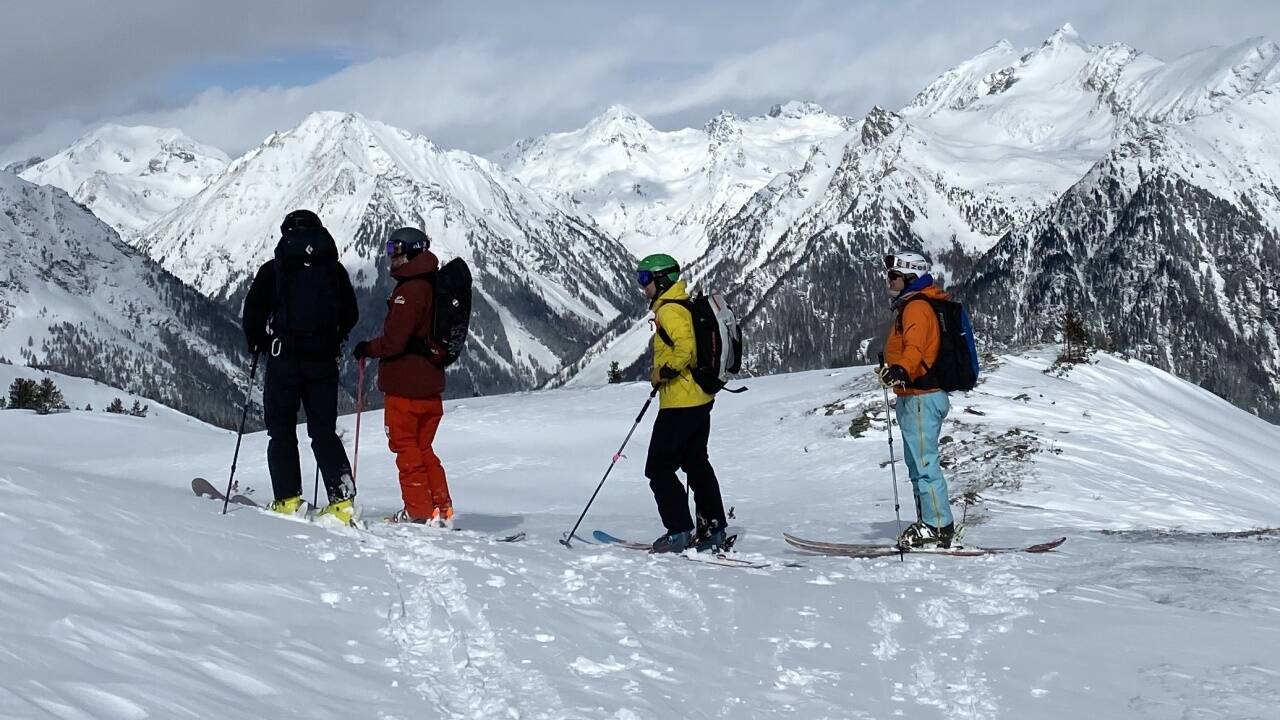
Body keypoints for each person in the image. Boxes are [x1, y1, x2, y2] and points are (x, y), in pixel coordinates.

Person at [242, 209, 359, 524]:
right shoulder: (334, 271)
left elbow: (252, 313)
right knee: (323, 430)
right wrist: (334, 338)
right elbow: (352, 314)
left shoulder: (275, 270)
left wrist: (261, 343)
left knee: (281, 430)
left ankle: (288, 498)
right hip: (323, 362)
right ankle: (341, 500)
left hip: (285, 361)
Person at [352, 227, 453, 527]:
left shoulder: (409, 291)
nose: (390, 257)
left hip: (406, 388)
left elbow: (395, 341)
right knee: (423, 448)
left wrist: (367, 348)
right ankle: (441, 507)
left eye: (394, 250)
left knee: (406, 447)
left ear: (410, 252)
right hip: (431, 385)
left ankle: (419, 511)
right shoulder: (432, 283)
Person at [637, 253, 729, 553]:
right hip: (699, 399)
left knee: (658, 468)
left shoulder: (670, 311)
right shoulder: (682, 305)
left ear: (660, 279)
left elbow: (686, 350)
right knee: (695, 463)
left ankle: (678, 530)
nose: (642, 286)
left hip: (680, 402)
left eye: (644, 279)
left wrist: (662, 373)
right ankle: (713, 527)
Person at [875, 250, 955, 548]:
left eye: (894, 276)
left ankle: (937, 528)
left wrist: (900, 370)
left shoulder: (917, 308)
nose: (889, 281)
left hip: (922, 396)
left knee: (924, 464)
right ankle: (929, 522)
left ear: (909, 276)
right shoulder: (912, 305)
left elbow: (916, 348)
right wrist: (896, 372)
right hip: (915, 395)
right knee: (917, 464)